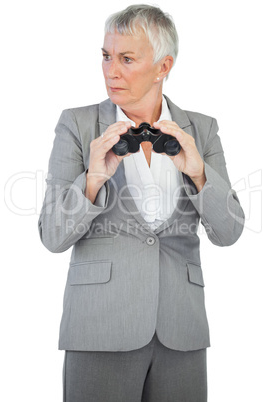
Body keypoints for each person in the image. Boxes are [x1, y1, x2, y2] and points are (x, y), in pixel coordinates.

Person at [38, 4, 245, 402]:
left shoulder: (202, 129)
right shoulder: (77, 125)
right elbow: (52, 235)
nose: (110, 70)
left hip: (181, 332)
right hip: (99, 327)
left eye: (126, 58)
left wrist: (200, 174)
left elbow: (230, 231)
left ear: (163, 66)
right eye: (106, 56)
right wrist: (93, 177)